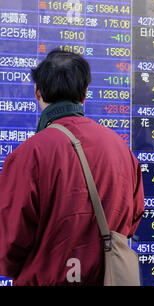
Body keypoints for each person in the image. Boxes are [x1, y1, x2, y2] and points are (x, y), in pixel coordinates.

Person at [0, 50, 145, 285]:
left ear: (37, 92)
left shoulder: (29, 154)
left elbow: (8, 247)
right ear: (85, 93)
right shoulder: (120, 148)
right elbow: (132, 219)